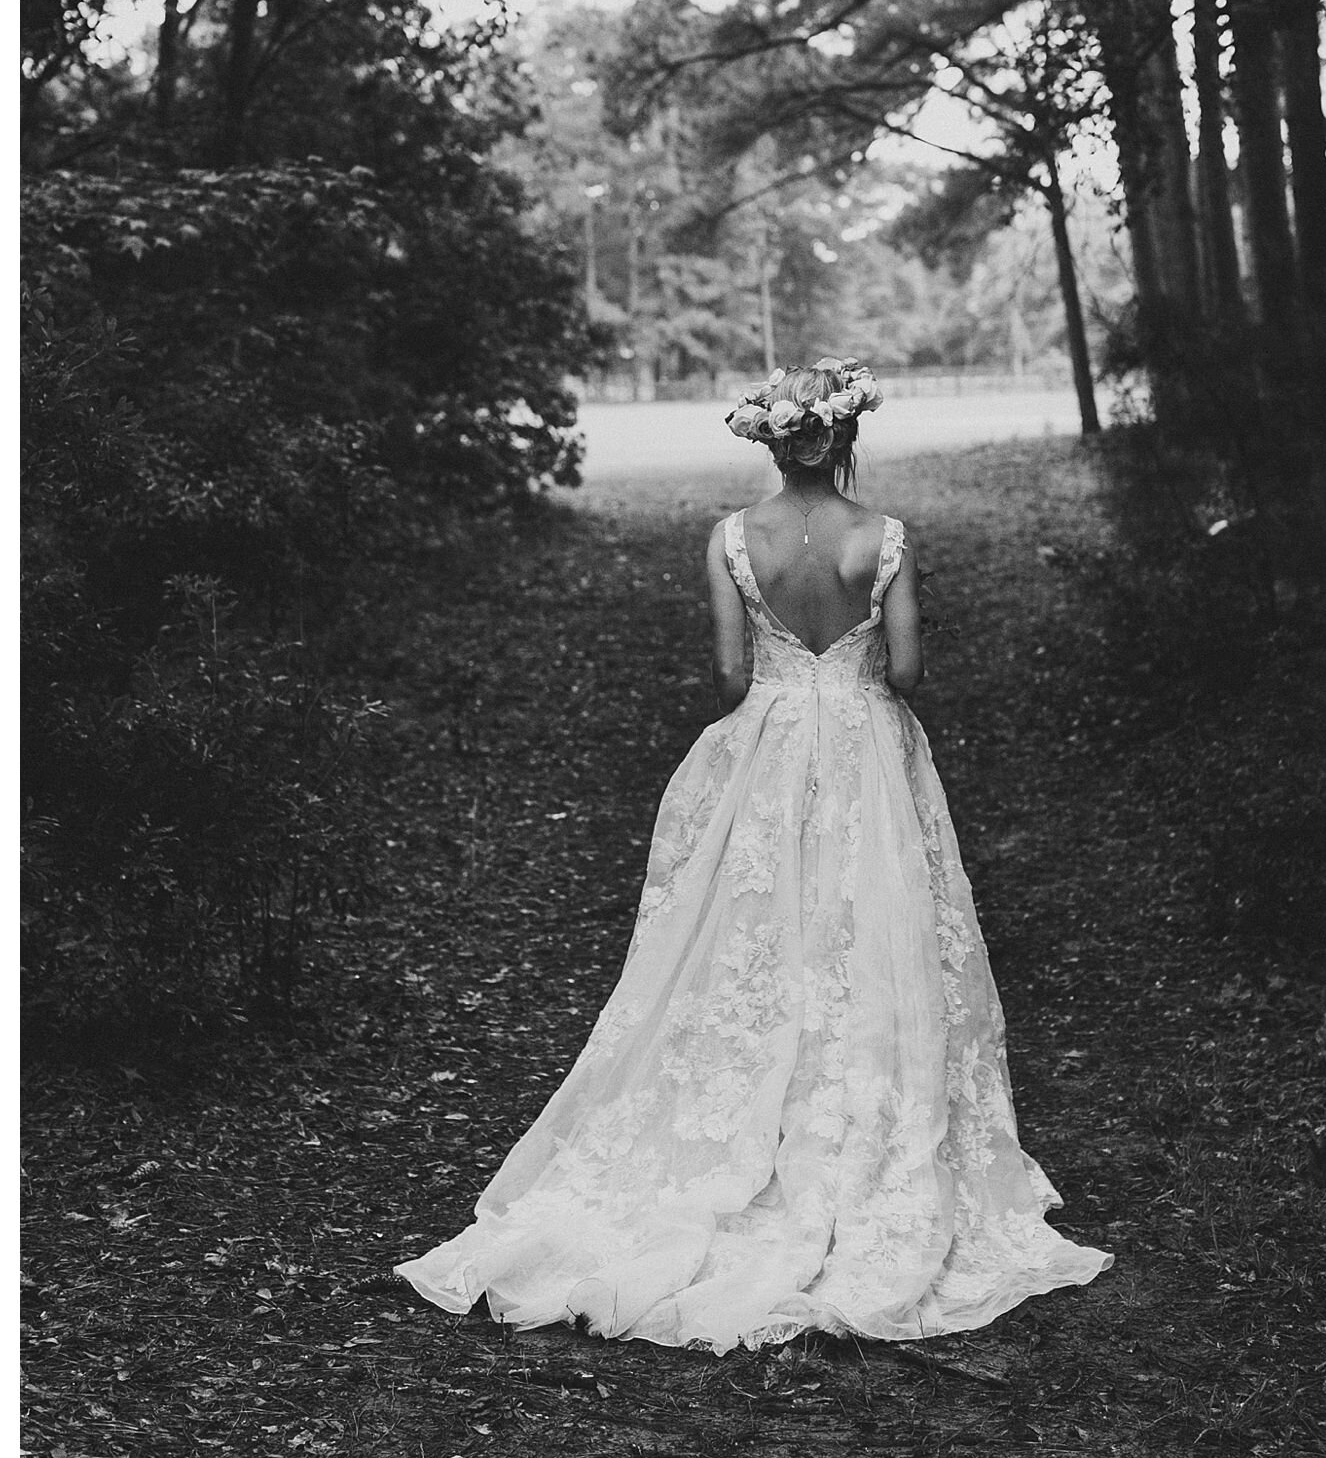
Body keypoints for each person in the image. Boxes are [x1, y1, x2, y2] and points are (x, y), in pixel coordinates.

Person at [396, 356, 1110, 1350]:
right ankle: (858, 1125)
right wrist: (850, 673)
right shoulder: (884, 538)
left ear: (774, 440)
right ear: (843, 436)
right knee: (871, 931)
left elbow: (732, 677)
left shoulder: (732, 538)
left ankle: (744, 1129)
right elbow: (905, 669)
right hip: (865, 750)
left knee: (751, 935)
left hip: (769, 749)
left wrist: (788, 679)